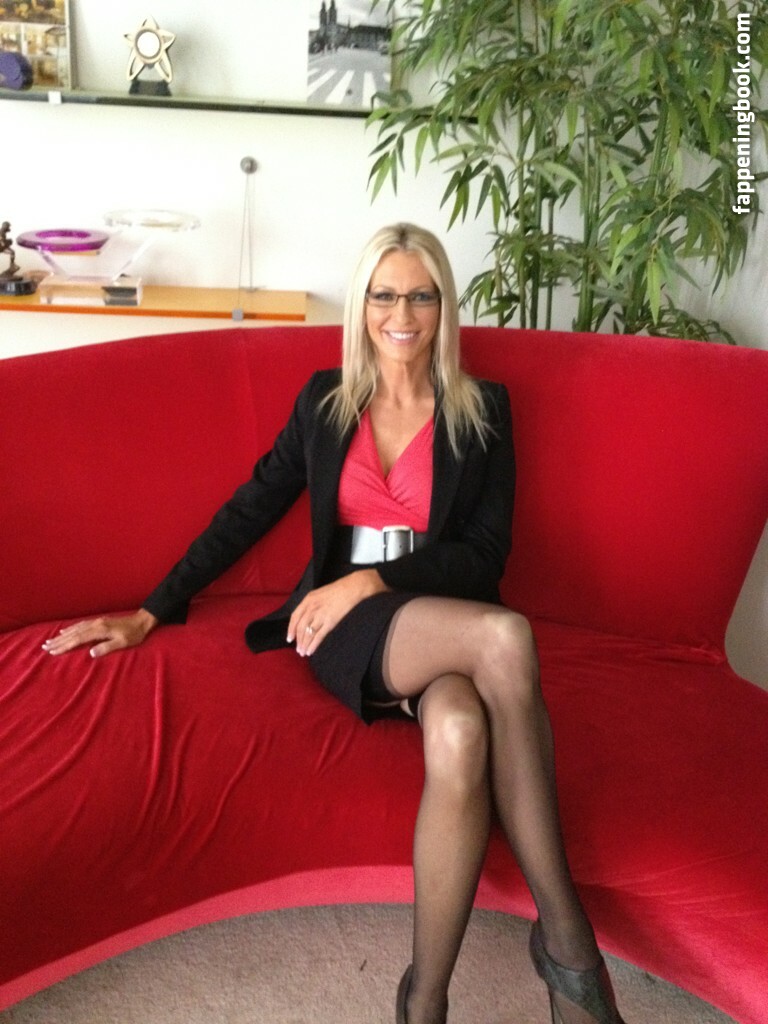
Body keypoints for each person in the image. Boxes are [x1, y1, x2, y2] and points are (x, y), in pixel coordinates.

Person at [42, 223, 626, 1024]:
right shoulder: (326, 402)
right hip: (345, 628)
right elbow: (251, 506)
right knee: (506, 637)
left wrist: (372, 579)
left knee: (462, 730)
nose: (402, 315)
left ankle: (421, 1000)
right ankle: (569, 944)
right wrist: (152, 610)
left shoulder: (483, 409)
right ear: (362, 306)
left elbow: (485, 556)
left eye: (421, 296)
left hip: (432, 612)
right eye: (384, 296)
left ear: (444, 306)